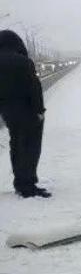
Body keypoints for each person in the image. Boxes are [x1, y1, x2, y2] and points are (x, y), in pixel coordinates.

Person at [0, 30, 50, 198]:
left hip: (8, 112)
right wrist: (39, 110)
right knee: (30, 147)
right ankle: (28, 185)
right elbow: (34, 88)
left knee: (16, 145)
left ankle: (20, 182)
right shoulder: (23, 62)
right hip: (28, 111)